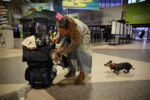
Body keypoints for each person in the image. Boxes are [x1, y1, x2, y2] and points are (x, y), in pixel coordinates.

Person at [52, 13, 92, 84]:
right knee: (68, 54)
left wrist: (62, 51)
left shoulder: (78, 29)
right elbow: (60, 32)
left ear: (68, 29)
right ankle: (72, 70)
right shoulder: (62, 24)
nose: (60, 32)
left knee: (81, 53)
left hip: (84, 35)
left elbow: (73, 46)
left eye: (62, 31)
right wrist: (57, 38)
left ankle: (82, 74)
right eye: (59, 30)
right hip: (70, 33)